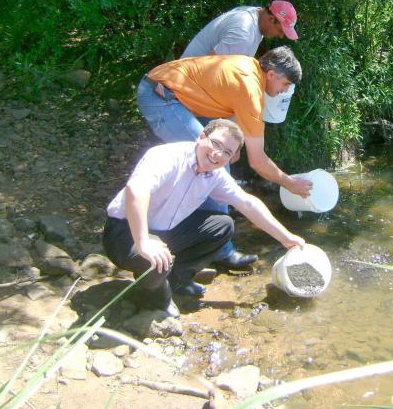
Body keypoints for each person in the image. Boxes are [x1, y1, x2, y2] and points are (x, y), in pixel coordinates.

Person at [103, 119, 305, 317]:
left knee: (222, 225)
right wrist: (143, 241)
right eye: (216, 144)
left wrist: (286, 238)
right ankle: (156, 302)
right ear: (201, 137)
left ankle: (178, 280)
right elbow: (136, 189)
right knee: (153, 260)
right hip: (125, 231)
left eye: (227, 152)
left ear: (232, 158)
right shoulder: (168, 156)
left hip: (165, 229)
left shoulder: (215, 174)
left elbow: (247, 203)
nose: (218, 154)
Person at [136, 46, 313, 268]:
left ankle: (191, 232)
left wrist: (235, 145)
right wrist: (289, 183)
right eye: (285, 84)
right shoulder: (251, 91)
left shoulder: (250, 67)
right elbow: (257, 161)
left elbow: (230, 106)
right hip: (161, 96)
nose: (285, 90)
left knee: (214, 161)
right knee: (215, 165)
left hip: (170, 91)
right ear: (271, 74)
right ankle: (220, 251)